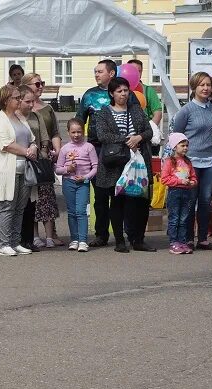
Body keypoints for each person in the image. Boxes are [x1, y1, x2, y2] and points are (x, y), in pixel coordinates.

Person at [95, 76, 154, 253]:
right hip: (115, 163)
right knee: (118, 202)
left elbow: (149, 130)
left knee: (140, 201)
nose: (123, 94)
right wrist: (127, 139)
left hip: (137, 161)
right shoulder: (104, 112)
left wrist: (139, 137)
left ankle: (138, 239)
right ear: (112, 93)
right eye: (119, 91)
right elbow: (103, 136)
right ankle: (120, 240)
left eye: (126, 90)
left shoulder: (136, 110)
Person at [171, 72, 212, 250]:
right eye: (202, 85)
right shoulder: (186, 110)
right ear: (194, 87)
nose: (206, 88)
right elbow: (176, 136)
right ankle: (188, 238)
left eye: (208, 84)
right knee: (190, 200)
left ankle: (203, 238)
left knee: (206, 200)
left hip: (210, 160)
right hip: (191, 161)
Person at [0, 84, 37, 257]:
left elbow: (31, 137)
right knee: (8, 206)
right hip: (8, 168)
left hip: (24, 168)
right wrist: (27, 151)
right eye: (16, 98)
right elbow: (5, 144)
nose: (19, 100)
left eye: (19, 97)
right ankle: (4, 243)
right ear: (6, 100)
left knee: (20, 207)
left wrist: (33, 147)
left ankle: (15, 242)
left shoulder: (20, 117)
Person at [77, 59, 118, 247]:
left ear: (111, 73)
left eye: (100, 71)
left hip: (118, 149)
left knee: (118, 193)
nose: (96, 74)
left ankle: (120, 233)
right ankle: (101, 234)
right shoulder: (89, 95)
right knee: (100, 194)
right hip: (96, 149)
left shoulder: (122, 92)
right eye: (95, 71)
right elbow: (78, 121)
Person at [20, 72, 62, 248]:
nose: (40, 87)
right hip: (26, 158)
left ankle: (50, 234)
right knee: (31, 198)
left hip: (43, 158)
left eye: (42, 83)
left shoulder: (46, 109)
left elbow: (53, 133)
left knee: (46, 196)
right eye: (37, 84)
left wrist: (57, 151)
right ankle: (33, 235)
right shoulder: (19, 110)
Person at [56, 118, 98, 251]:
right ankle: (74, 239)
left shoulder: (89, 147)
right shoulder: (65, 149)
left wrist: (85, 177)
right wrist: (67, 169)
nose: (76, 135)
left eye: (79, 132)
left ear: (83, 131)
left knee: (81, 211)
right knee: (71, 212)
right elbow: (58, 169)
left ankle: (83, 240)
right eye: (73, 132)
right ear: (68, 132)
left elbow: (95, 167)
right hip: (68, 182)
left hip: (83, 183)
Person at [161, 132, 196, 255]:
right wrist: (180, 181)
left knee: (184, 219)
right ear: (175, 147)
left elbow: (193, 177)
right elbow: (164, 179)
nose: (185, 148)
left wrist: (192, 182)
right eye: (182, 145)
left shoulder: (188, 162)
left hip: (187, 192)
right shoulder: (169, 161)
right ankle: (173, 242)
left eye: (186, 145)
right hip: (174, 192)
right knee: (174, 218)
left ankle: (182, 242)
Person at [125, 59, 163, 142]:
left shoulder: (148, 90)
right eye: (133, 71)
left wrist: (148, 131)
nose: (136, 74)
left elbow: (158, 113)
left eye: (139, 71)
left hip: (143, 135)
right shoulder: (119, 90)